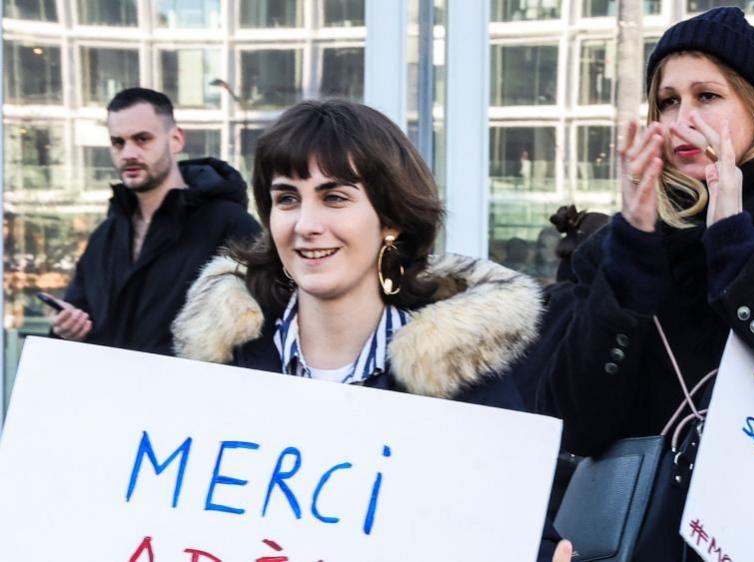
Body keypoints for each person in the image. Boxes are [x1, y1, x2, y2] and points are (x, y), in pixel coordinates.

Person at [534, 7, 754, 557]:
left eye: (707, 96)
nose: (682, 120)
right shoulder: (618, 249)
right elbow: (576, 428)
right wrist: (632, 249)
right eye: (667, 101)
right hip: (647, 541)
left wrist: (735, 245)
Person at [168, 98, 567, 561]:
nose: (306, 225)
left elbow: (524, 540)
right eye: (286, 199)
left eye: (334, 197)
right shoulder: (224, 364)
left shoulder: (463, 376)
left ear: (391, 221)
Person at [49, 88, 259, 355]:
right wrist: (68, 331)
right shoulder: (104, 237)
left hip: (194, 394)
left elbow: (261, 330)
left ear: (175, 139)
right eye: (118, 142)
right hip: (108, 392)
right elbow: (81, 322)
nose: (128, 153)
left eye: (142, 139)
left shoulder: (230, 224)